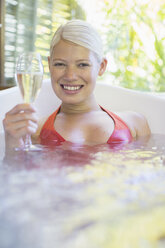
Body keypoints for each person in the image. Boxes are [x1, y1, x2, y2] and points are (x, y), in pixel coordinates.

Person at [3, 19, 150, 150]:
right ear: (49, 65)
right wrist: (12, 145)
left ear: (101, 66)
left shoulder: (135, 123)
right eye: (60, 64)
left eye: (82, 65)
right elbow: (17, 177)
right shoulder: (33, 130)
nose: (70, 76)